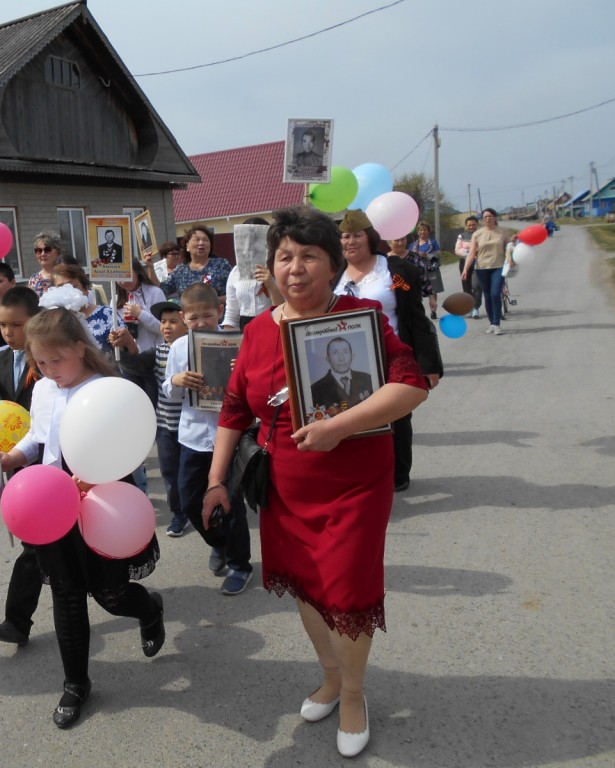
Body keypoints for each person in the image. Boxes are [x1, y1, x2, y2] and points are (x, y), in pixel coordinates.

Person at [202, 206, 429, 758]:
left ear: (333, 265)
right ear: (271, 266)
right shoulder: (257, 330)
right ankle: (330, 677)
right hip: (285, 486)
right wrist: (215, 480)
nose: (295, 268)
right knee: (304, 585)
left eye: (309, 256)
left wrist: (339, 426)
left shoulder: (362, 318)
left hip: (353, 484)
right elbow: (234, 408)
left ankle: (353, 694)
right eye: (285, 257)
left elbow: (412, 385)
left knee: (347, 591)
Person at [0, 307, 164, 729]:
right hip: (56, 505)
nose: (49, 370)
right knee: (66, 595)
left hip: (104, 503)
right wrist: (12, 457)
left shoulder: (107, 389)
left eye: (57, 360)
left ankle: (149, 610)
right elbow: (38, 438)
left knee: (111, 594)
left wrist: (91, 477)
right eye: (41, 362)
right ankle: (75, 684)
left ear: (81, 349)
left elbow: (127, 446)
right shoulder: (43, 390)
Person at [335, 210, 442, 493]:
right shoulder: (334, 274)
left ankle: (398, 473)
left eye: (357, 235)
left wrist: (428, 364)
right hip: (350, 359)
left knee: (397, 416)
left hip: (393, 356)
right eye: (345, 236)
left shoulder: (394, 273)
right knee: (353, 415)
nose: (350, 241)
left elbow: (415, 317)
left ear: (370, 237)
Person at [163, 283, 253, 595]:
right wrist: (177, 380)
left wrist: (240, 376)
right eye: (194, 318)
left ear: (220, 312)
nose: (201, 322)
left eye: (208, 315)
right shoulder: (178, 348)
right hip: (193, 437)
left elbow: (251, 387)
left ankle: (240, 565)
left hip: (228, 436)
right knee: (189, 501)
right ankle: (219, 542)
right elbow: (169, 392)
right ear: (183, 318)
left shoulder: (236, 343)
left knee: (231, 503)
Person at [0, 286, 45, 646]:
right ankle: (17, 621)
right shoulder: (0, 361)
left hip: (51, 461)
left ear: (34, 321)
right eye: (3, 325)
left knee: (44, 546)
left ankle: (130, 599)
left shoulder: (49, 359)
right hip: (20, 462)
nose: (8, 332)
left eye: (16, 325)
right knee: (34, 543)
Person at [109, 301, 189, 536]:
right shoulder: (158, 351)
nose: (166, 326)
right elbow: (135, 365)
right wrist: (125, 344)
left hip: (192, 426)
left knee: (192, 474)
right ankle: (178, 514)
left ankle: (200, 507)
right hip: (165, 425)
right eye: (163, 322)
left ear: (186, 322)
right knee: (170, 473)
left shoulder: (196, 349)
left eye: (173, 321)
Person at [113, 259, 168, 404]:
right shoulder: (116, 299)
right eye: (119, 277)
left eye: (127, 274)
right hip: (129, 361)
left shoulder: (155, 293)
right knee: (133, 403)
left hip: (153, 360)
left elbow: (163, 328)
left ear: (137, 271)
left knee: (152, 403)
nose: (123, 281)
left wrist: (141, 314)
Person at [223, 218, 284, 330]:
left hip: (273, 322)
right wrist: (228, 336)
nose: (251, 245)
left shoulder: (279, 268)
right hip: (246, 326)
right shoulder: (236, 272)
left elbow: (284, 309)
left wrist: (271, 284)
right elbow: (231, 314)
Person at [150, 225, 232, 304]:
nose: (201, 243)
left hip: (217, 312)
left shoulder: (222, 265)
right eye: (197, 240)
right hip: (189, 313)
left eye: (205, 240)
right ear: (187, 246)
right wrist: (150, 267)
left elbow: (234, 292)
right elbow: (161, 288)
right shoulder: (180, 270)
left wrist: (214, 301)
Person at [461, 208, 510, 335]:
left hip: (498, 266)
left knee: (495, 294)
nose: (488, 218)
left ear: (494, 217)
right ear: (483, 219)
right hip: (482, 268)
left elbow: (509, 249)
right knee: (487, 296)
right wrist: (466, 269)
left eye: (490, 216)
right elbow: (472, 253)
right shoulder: (477, 234)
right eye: (485, 217)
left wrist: (511, 261)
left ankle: (497, 323)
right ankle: (492, 322)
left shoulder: (503, 232)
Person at [52, 263, 115, 354]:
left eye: (73, 286)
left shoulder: (107, 314)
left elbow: (127, 351)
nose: (67, 291)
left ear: (85, 288)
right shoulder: (53, 321)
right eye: (61, 288)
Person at [309, 336, 374, 411]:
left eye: (345, 352)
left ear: (352, 356)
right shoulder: (315, 390)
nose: (341, 358)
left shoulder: (368, 379)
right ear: (328, 359)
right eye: (335, 353)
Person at [388, 234, 436, 317]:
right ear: (389, 242)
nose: (400, 243)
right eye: (396, 240)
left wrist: (432, 299)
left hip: (414, 301)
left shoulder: (414, 257)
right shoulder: (384, 260)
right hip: (392, 304)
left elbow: (424, 278)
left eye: (403, 239)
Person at [408, 221, 442, 319]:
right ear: (418, 232)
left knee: (433, 290)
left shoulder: (433, 242)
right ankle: (419, 311)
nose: (422, 232)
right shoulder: (413, 245)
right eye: (421, 230)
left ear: (428, 231)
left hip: (432, 269)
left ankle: (433, 310)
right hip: (418, 271)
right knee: (418, 291)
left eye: (425, 230)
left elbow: (439, 254)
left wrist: (426, 255)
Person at [28, 231, 76, 295]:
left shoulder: (67, 275)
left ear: (58, 251)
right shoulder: (33, 280)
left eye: (47, 250)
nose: (42, 254)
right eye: (39, 250)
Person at [455, 215, 483, 318]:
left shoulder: (482, 234)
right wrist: (470, 254)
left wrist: (475, 255)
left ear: (477, 224)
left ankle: (476, 307)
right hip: (464, 263)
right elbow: (457, 250)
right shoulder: (462, 236)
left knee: (476, 286)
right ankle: (470, 307)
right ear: (466, 226)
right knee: (466, 286)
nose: (471, 227)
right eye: (469, 225)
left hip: (478, 263)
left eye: (473, 225)